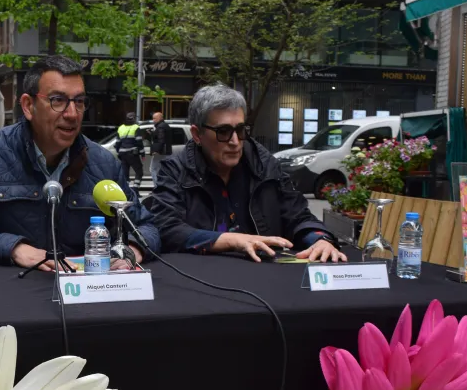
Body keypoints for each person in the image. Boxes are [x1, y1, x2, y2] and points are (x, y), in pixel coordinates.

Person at [0, 55, 160, 270]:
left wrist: (131, 250)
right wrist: (13, 249)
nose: (72, 113)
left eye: (79, 101)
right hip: (12, 293)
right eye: (58, 100)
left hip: (86, 296)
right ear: (29, 106)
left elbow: (147, 227)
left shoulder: (104, 164)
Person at [147, 83, 346, 263]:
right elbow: (166, 229)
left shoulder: (266, 165)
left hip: (264, 279)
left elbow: (298, 216)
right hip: (202, 278)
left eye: (241, 130)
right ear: (197, 134)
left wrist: (320, 239)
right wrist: (234, 240)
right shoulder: (175, 170)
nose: (235, 141)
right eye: (223, 131)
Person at [115, 112, 144, 190]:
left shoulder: (121, 128)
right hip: (132, 153)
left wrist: (119, 152)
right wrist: (142, 153)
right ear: (134, 119)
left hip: (122, 154)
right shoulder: (136, 127)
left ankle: (126, 190)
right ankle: (135, 189)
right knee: (139, 172)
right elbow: (139, 141)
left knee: (125, 173)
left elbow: (117, 142)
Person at [149, 110, 172, 182]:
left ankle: (157, 187)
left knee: (153, 169)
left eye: (154, 118)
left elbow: (161, 139)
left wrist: (157, 151)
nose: (153, 120)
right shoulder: (164, 126)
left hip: (160, 152)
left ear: (160, 118)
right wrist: (152, 134)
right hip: (165, 151)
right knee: (162, 170)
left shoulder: (160, 127)